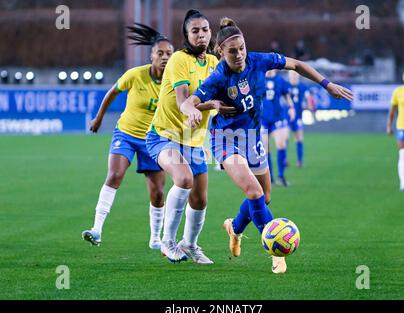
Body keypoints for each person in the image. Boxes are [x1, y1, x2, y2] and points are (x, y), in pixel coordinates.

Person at [180, 18, 352, 273]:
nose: (239, 55)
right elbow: (188, 101)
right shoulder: (218, 78)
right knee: (254, 192)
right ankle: (275, 251)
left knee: (265, 196)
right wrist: (193, 109)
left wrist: (326, 85)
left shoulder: (258, 60)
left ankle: (235, 227)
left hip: (254, 137)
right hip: (226, 139)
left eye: (242, 48)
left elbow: (296, 65)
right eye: (232, 51)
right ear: (220, 52)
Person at [146, 9, 236, 264]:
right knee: (183, 179)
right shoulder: (178, 59)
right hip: (164, 135)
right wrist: (200, 108)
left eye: (205, 30)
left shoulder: (213, 63)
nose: (201, 34)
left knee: (199, 199)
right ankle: (168, 241)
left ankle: (190, 245)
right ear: (186, 35)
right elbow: (183, 99)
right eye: (195, 30)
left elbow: (220, 98)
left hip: (193, 140)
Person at [81, 24, 174, 249]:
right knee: (114, 175)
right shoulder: (136, 75)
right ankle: (97, 229)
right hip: (126, 133)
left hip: (154, 140)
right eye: (159, 53)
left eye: (168, 54)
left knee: (158, 192)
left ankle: (155, 239)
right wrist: (99, 118)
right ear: (151, 55)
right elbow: (112, 92)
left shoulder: (174, 82)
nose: (164, 57)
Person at [261, 69, 295, 186]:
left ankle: (281, 176)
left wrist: (291, 107)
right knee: (265, 149)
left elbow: (287, 95)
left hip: (277, 117)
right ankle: (270, 178)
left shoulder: (280, 80)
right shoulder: (259, 78)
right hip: (262, 118)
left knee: (281, 144)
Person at [286, 70, 315, 168]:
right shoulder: (286, 85)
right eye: (292, 75)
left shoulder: (303, 86)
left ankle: (299, 161)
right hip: (286, 116)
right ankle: (284, 159)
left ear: (298, 76)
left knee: (299, 138)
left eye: (295, 74)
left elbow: (309, 98)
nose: (294, 76)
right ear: (289, 76)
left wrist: (310, 107)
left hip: (298, 116)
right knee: (284, 138)